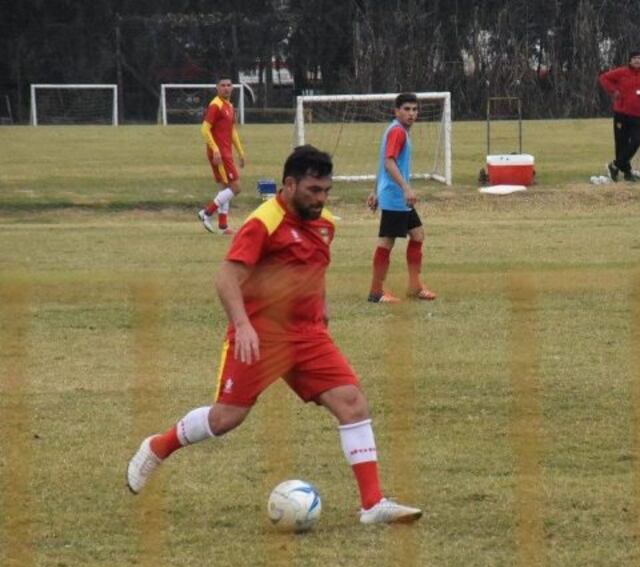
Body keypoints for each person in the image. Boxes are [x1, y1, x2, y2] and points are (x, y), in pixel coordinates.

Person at [128, 145, 423, 525]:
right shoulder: (263, 223)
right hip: (261, 334)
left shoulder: (325, 224)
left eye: (326, 191)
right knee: (225, 418)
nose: (321, 199)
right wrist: (243, 325)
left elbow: (312, 267)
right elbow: (226, 278)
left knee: (352, 403)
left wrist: (321, 305)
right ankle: (157, 447)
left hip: (308, 335)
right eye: (313, 190)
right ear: (289, 185)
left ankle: (372, 504)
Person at [366, 93, 437, 303]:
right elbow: (388, 163)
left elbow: (383, 162)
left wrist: (374, 190)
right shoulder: (397, 131)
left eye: (414, 109)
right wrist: (406, 188)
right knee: (386, 242)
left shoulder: (396, 129)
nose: (411, 113)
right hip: (395, 197)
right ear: (396, 111)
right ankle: (376, 292)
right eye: (406, 109)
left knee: (417, 234)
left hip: (396, 196)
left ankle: (415, 286)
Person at [598, 51, 640, 182]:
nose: (637, 60)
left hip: (637, 115)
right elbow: (603, 78)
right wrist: (614, 91)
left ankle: (614, 166)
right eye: (634, 58)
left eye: (639, 58)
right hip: (621, 114)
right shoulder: (621, 72)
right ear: (630, 61)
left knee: (636, 142)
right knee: (621, 144)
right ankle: (627, 172)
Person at [196, 76, 245, 235]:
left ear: (232, 88)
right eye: (222, 85)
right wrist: (215, 150)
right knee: (236, 187)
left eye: (228, 85)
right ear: (217, 87)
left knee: (225, 187)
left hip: (226, 152)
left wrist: (240, 152)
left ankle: (223, 226)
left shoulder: (229, 106)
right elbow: (204, 129)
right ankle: (207, 212)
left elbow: (232, 131)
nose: (226, 88)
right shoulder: (215, 105)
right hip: (220, 154)